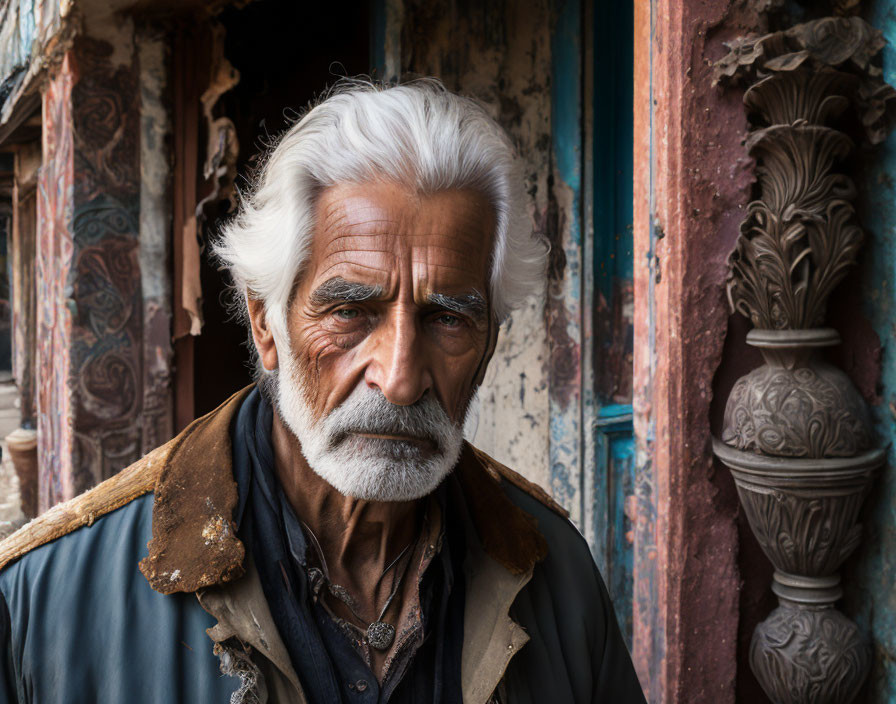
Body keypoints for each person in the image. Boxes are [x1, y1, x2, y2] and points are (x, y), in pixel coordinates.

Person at [0, 79, 646, 704]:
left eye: (448, 317)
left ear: (489, 344)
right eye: (349, 312)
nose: (398, 380)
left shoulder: (554, 573)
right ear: (266, 324)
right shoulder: (46, 601)